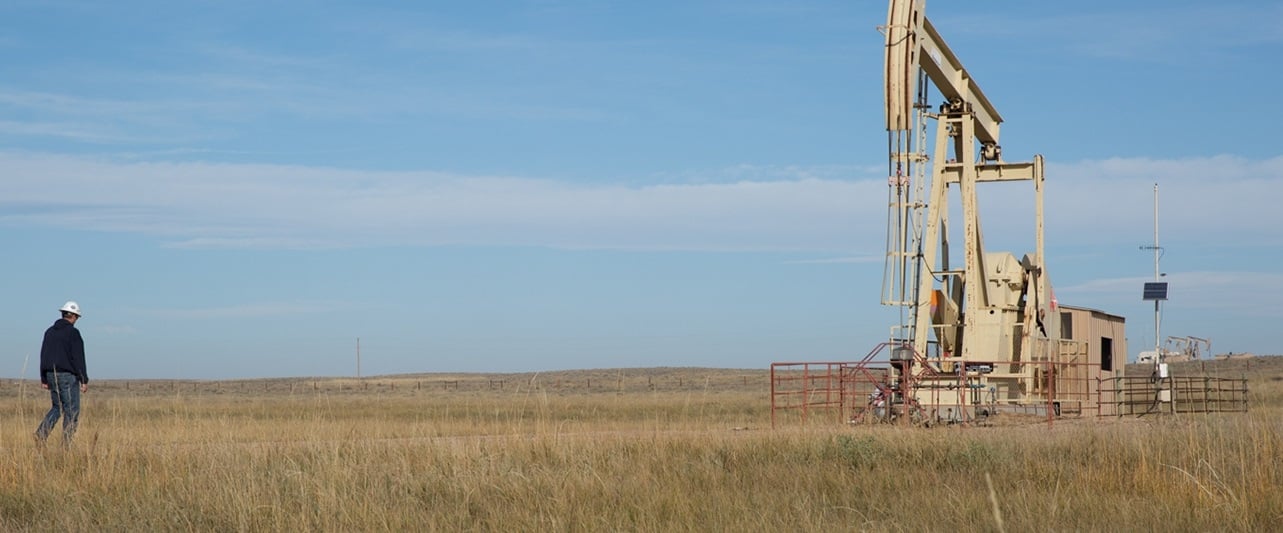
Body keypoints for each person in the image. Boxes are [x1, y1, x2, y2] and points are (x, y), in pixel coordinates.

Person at [34, 301, 88, 447]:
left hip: (51, 375)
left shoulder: (49, 332)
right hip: (67, 376)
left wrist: (44, 377)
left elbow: (43, 355)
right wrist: (83, 379)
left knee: (57, 407)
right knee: (72, 411)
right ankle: (65, 447)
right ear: (74, 316)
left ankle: (41, 433)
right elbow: (78, 357)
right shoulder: (73, 333)